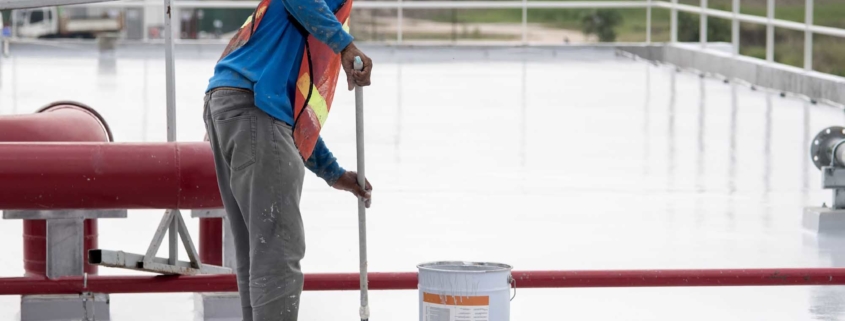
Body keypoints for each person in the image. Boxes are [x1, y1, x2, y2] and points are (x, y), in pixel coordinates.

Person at [201, 0, 373, 319]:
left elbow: (291, 111)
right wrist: (346, 46)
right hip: (253, 109)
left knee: (258, 252)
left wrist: (333, 173)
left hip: (231, 108)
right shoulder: (322, 14)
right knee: (277, 252)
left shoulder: (297, 29)